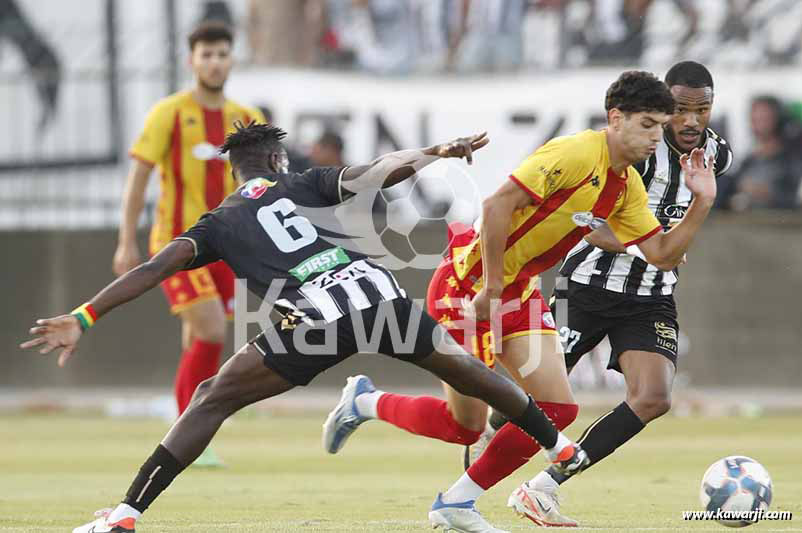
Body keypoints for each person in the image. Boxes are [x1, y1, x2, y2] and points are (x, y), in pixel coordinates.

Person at [21, 122, 589, 533]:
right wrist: (435, 152)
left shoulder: (218, 223)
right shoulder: (304, 183)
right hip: (377, 295)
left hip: (315, 321)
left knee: (211, 398)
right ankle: (558, 444)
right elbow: (375, 174)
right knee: (466, 371)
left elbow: (152, 269)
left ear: (234, 169)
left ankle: (125, 515)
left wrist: (84, 315)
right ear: (276, 161)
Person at [324, 70, 719, 533]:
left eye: (660, 125)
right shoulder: (574, 153)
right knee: (464, 426)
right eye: (648, 124)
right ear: (616, 118)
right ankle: (367, 402)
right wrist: (491, 287)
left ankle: (456, 503)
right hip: (465, 285)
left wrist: (702, 203)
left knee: (559, 408)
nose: (658, 136)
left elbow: (661, 255)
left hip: (518, 291)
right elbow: (496, 206)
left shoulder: (626, 185)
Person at [495, 60, 734, 527]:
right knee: (529, 399)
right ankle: (471, 469)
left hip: (651, 296)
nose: (690, 121)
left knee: (654, 396)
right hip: (586, 288)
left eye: (701, 110)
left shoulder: (716, 156)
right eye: (680, 109)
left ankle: (542, 489)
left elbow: (677, 229)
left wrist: (667, 246)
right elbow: (587, 226)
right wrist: (655, 248)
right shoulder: (633, 151)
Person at [112, 22, 266, 466]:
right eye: (206, 55)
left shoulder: (246, 116)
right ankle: (191, 431)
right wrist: (127, 240)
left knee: (197, 339)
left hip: (228, 245)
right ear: (191, 61)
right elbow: (139, 177)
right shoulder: (169, 113)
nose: (215, 62)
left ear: (231, 59)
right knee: (212, 331)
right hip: (177, 245)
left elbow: (265, 182)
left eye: (222, 54)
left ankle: (181, 427)